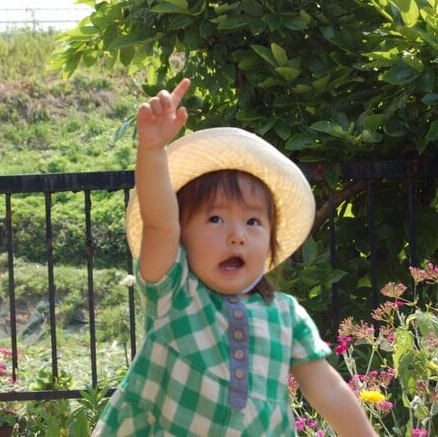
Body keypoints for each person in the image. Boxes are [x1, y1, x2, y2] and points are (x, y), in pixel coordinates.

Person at [92, 78, 377, 435]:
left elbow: (328, 389)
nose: (237, 235)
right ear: (181, 236)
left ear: (271, 242)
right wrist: (151, 149)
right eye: (215, 218)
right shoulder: (175, 295)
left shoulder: (286, 315)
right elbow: (160, 223)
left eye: (253, 222)